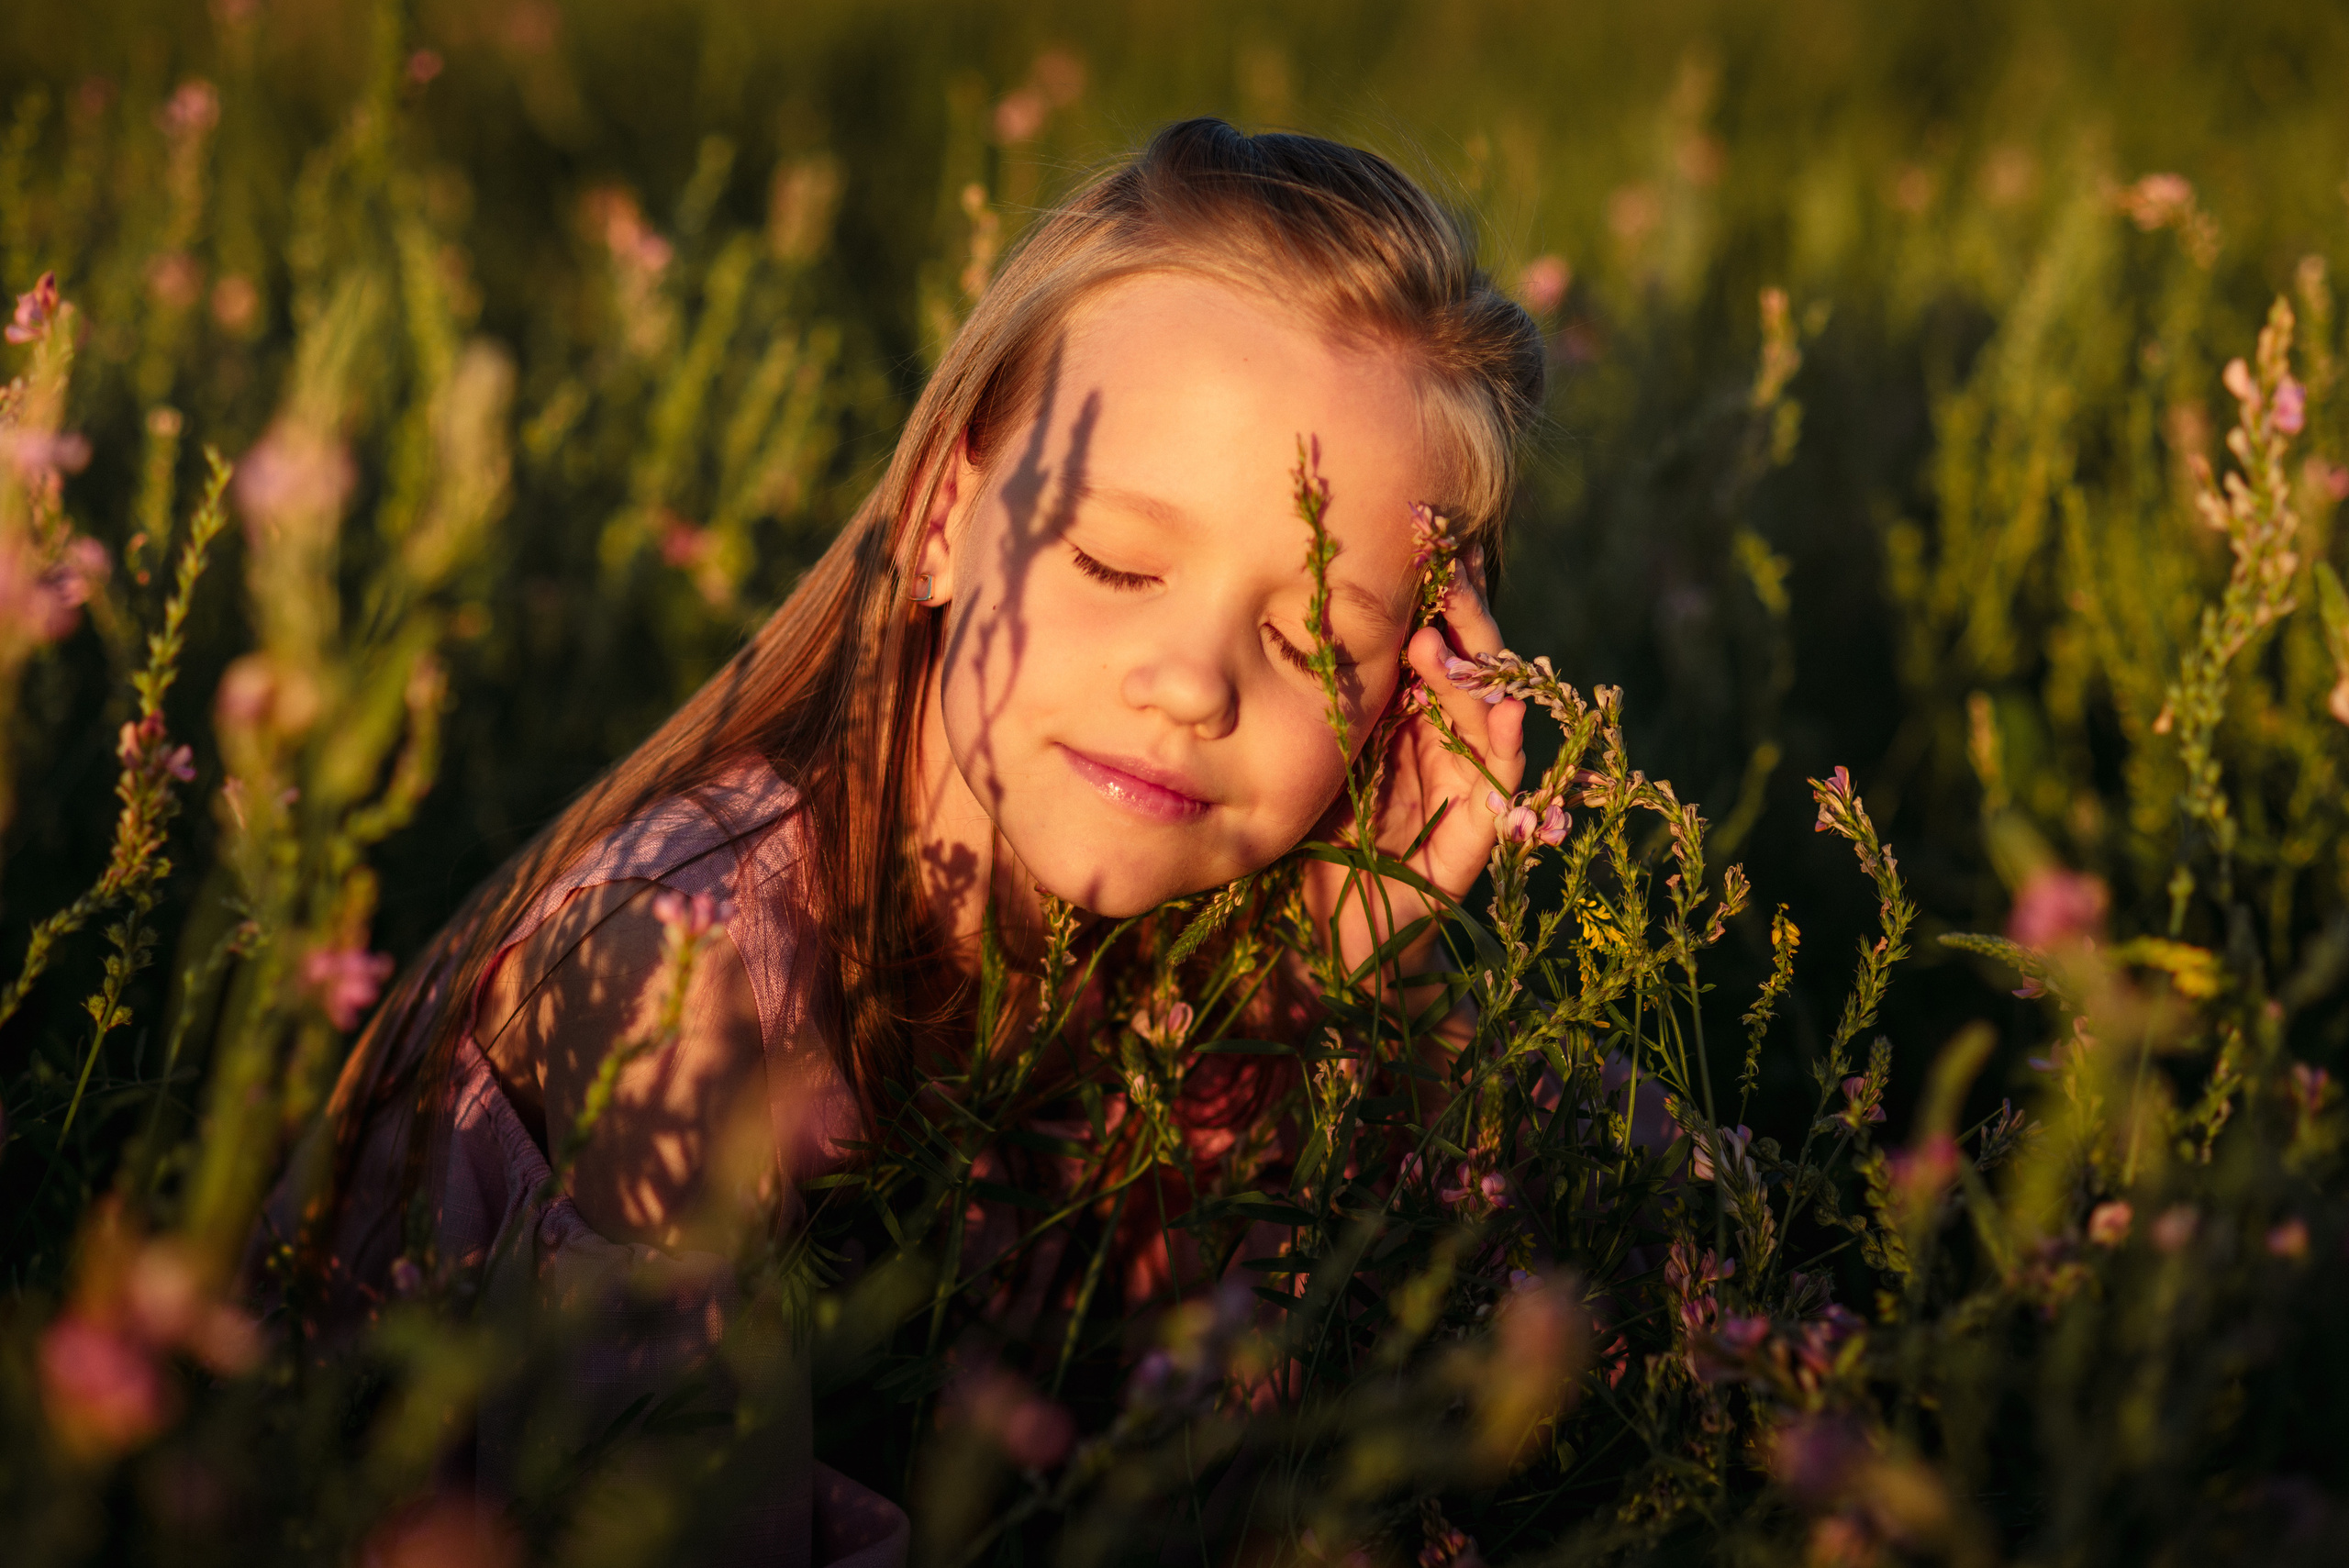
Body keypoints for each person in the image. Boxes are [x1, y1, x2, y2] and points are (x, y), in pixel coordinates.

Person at [261, 117, 1544, 1566]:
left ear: (1411, 693)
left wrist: (1312, 991)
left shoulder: (1223, 946)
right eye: (1116, 563)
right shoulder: (671, 966)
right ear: (943, 519)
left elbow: (1184, 1456)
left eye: (1318, 634)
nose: (1191, 683)